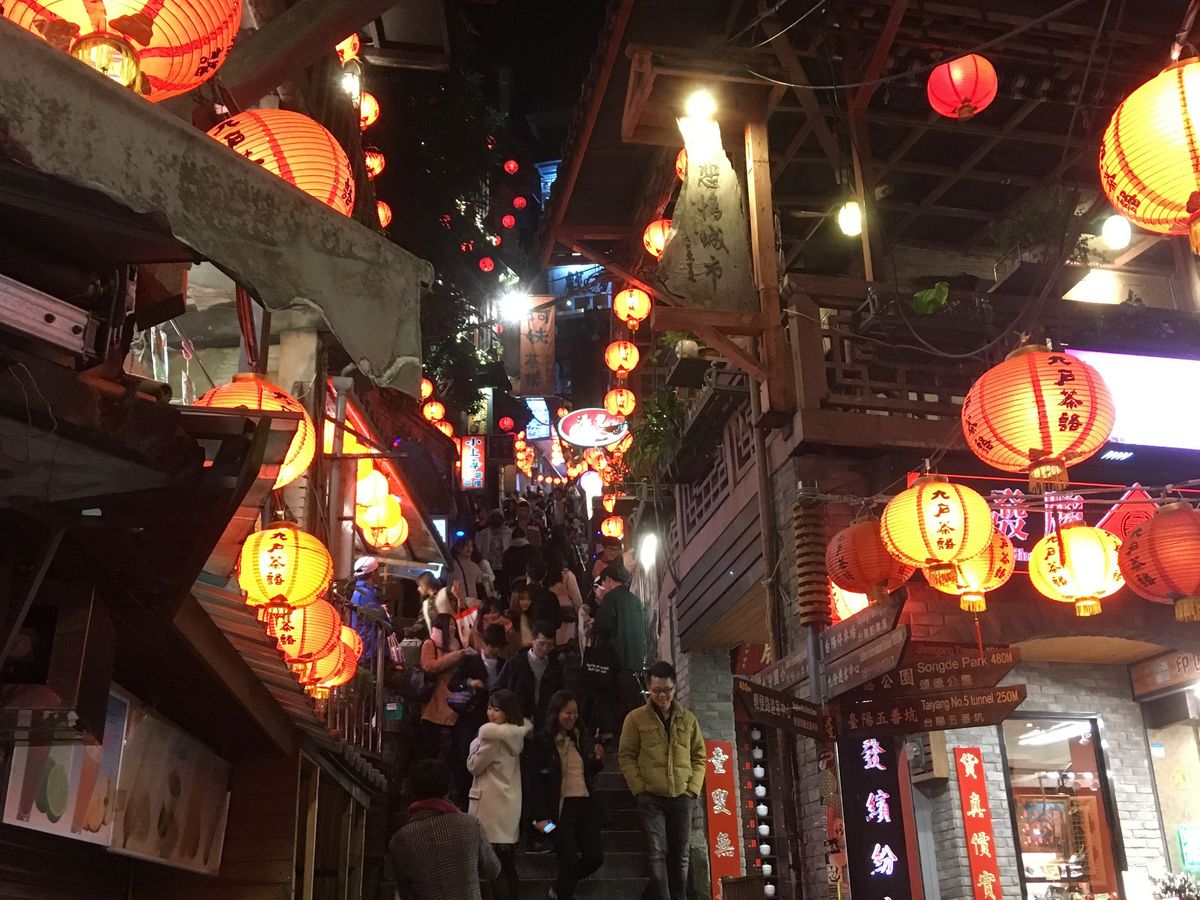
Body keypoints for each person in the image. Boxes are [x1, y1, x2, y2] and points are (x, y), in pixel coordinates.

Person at [618, 661, 706, 900]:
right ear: (648, 688)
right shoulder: (635, 718)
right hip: (651, 797)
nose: (662, 696)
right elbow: (626, 756)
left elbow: (699, 756)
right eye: (656, 690)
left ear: (675, 687)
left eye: (667, 690)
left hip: (683, 795)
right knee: (658, 852)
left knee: (681, 855)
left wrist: (693, 789)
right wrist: (639, 788)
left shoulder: (688, 719)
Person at [523, 690, 605, 900]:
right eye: (567, 712)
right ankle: (563, 893)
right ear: (556, 713)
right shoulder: (543, 742)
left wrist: (596, 762)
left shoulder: (578, 738)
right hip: (560, 810)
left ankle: (560, 889)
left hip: (585, 806)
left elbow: (581, 772)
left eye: (575, 712)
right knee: (568, 859)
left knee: (595, 857)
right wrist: (541, 817)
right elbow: (537, 781)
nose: (572, 717)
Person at [389, 759, 500, 900]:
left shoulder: (400, 841)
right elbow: (492, 870)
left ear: (413, 791)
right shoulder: (470, 825)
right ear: (449, 789)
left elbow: (405, 891)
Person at [467, 689, 532, 900]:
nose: (491, 714)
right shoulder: (515, 737)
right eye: (489, 708)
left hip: (490, 808)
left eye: (497, 710)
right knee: (507, 864)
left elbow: (474, 766)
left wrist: (477, 741)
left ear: (507, 712)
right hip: (507, 807)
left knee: (493, 868)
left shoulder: (492, 738)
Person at [448, 624, 508, 809]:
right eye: (492, 646)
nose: (495, 651)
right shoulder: (470, 661)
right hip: (471, 715)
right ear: (485, 644)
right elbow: (453, 683)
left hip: (493, 718)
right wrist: (470, 682)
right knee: (466, 755)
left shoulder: (504, 664)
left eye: (498, 647)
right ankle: (464, 798)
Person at [593, 563, 647, 715]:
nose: (603, 587)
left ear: (608, 579)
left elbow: (603, 627)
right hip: (636, 667)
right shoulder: (635, 600)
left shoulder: (610, 598)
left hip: (617, 667)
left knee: (618, 713)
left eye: (603, 583)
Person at [419, 613, 471, 761]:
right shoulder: (430, 643)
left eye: (454, 625)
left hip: (454, 700)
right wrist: (453, 657)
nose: (453, 628)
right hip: (435, 702)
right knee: (432, 748)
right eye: (449, 625)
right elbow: (429, 666)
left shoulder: (456, 645)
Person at [496, 620, 563, 729]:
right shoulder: (516, 663)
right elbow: (497, 690)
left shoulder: (555, 666)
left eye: (550, 645)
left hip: (544, 722)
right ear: (532, 639)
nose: (545, 648)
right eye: (541, 643)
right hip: (517, 722)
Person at [350, 556, 390, 662]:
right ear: (372, 573)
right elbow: (384, 621)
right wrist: (383, 611)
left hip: (365, 646)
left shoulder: (359, 592)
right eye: (378, 571)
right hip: (370, 649)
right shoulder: (366, 594)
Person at [544, 549, 583, 647]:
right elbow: (576, 599)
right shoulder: (567, 575)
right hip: (566, 617)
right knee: (565, 647)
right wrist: (580, 616)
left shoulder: (544, 576)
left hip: (549, 617)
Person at [501, 528, 537, 596]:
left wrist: (505, 592)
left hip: (515, 583)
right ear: (524, 536)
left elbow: (505, 574)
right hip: (531, 581)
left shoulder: (508, 553)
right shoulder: (533, 550)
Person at [450, 537, 484, 602]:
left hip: (472, 603)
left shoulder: (475, 567)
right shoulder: (451, 566)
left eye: (471, 546)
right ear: (458, 548)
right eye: (466, 545)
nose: (469, 548)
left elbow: (479, 588)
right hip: (457, 602)